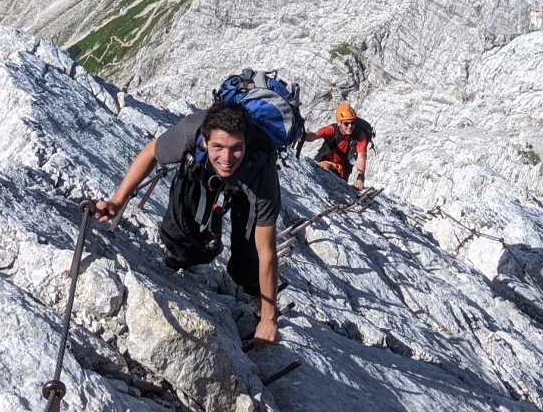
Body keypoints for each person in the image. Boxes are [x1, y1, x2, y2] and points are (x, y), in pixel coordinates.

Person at [94, 101, 281, 346]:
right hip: (201, 171)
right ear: (204, 141)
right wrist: (117, 201)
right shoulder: (189, 132)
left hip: (248, 183)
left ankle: (254, 291)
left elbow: (266, 250)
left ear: (246, 142)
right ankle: (182, 255)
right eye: (218, 146)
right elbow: (151, 152)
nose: (226, 157)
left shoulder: (261, 164)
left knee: (248, 256)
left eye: (236, 147)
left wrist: (269, 317)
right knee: (179, 230)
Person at [303, 103, 369, 191]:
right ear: (339, 122)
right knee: (323, 166)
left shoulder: (359, 136)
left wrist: (360, 179)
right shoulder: (332, 130)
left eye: (353, 123)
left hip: (343, 170)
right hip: (326, 164)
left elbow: (361, 157)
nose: (350, 126)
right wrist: (303, 135)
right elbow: (315, 135)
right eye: (346, 123)